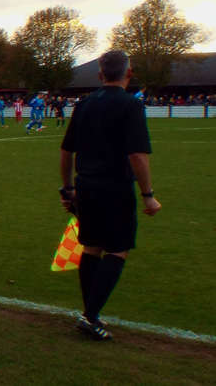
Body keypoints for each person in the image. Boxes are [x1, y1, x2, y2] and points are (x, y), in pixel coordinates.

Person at [60, 50, 162, 341]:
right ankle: (90, 317)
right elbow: (137, 156)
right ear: (128, 74)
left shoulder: (85, 105)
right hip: (115, 188)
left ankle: (89, 313)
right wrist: (148, 195)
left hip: (86, 187)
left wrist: (67, 189)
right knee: (117, 250)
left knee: (91, 247)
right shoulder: (131, 106)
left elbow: (66, 151)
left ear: (100, 74)